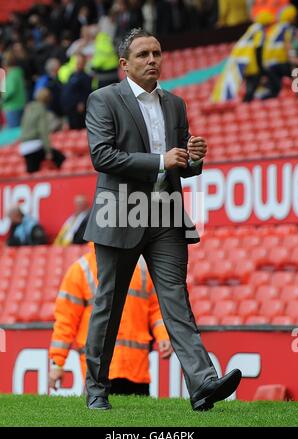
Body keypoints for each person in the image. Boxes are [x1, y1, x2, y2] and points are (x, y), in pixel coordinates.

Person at [83, 28, 242, 412]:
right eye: (143, 55)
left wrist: (195, 156)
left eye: (157, 53)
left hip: (165, 212)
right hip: (119, 211)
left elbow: (181, 164)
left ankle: (203, 384)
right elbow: (101, 157)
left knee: (176, 299)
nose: (153, 60)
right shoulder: (103, 99)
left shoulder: (176, 103)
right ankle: (96, 390)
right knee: (110, 303)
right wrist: (160, 161)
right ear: (124, 65)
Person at [49, 246, 172, 394]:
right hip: (99, 372)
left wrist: (164, 335)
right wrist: (57, 363)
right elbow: (65, 322)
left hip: (136, 372)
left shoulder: (143, 269)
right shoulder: (80, 271)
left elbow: (156, 310)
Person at [19, 88, 66, 173]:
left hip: (24, 146)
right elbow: (43, 131)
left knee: (32, 172)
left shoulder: (29, 108)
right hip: (35, 145)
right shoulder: (41, 110)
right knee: (60, 158)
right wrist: (48, 151)